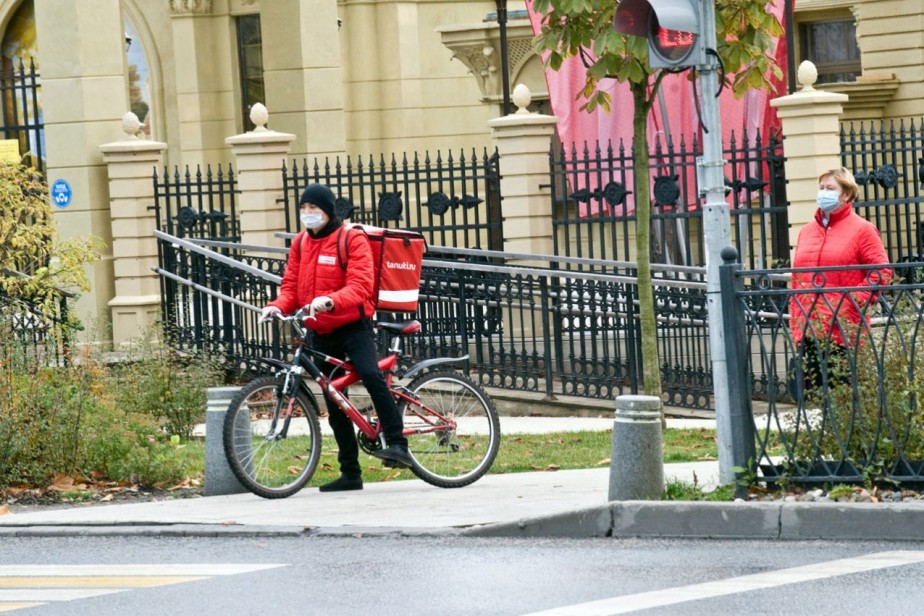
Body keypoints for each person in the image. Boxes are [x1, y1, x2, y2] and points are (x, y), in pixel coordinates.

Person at [259, 183, 413, 492]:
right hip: (319, 328)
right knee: (334, 399)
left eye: (313, 209)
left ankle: (397, 444)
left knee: (370, 374)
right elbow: (290, 284)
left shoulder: (350, 238)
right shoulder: (301, 243)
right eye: (303, 209)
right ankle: (350, 473)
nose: (308, 215)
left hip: (352, 325)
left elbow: (361, 284)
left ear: (328, 211)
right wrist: (276, 306)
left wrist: (331, 300)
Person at [789, 167, 891, 397]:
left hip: (843, 331)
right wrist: (796, 325)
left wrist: (850, 303)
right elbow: (798, 280)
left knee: (843, 397)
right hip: (809, 329)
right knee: (813, 399)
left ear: (846, 194)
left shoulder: (862, 230)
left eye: (830, 188)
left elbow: (881, 271)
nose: (824, 192)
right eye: (822, 188)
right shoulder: (806, 232)